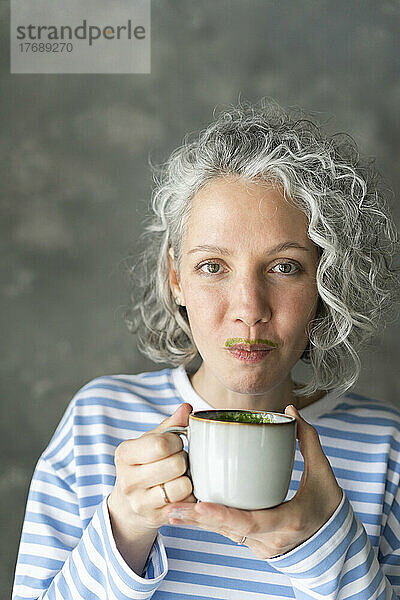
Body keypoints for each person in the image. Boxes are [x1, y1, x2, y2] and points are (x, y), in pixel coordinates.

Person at [12, 98, 400, 599]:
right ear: (176, 277)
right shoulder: (96, 423)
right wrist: (125, 527)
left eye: (285, 267)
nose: (248, 308)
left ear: (326, 281)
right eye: (213, 266)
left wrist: (327, 546)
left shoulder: (386, 449)